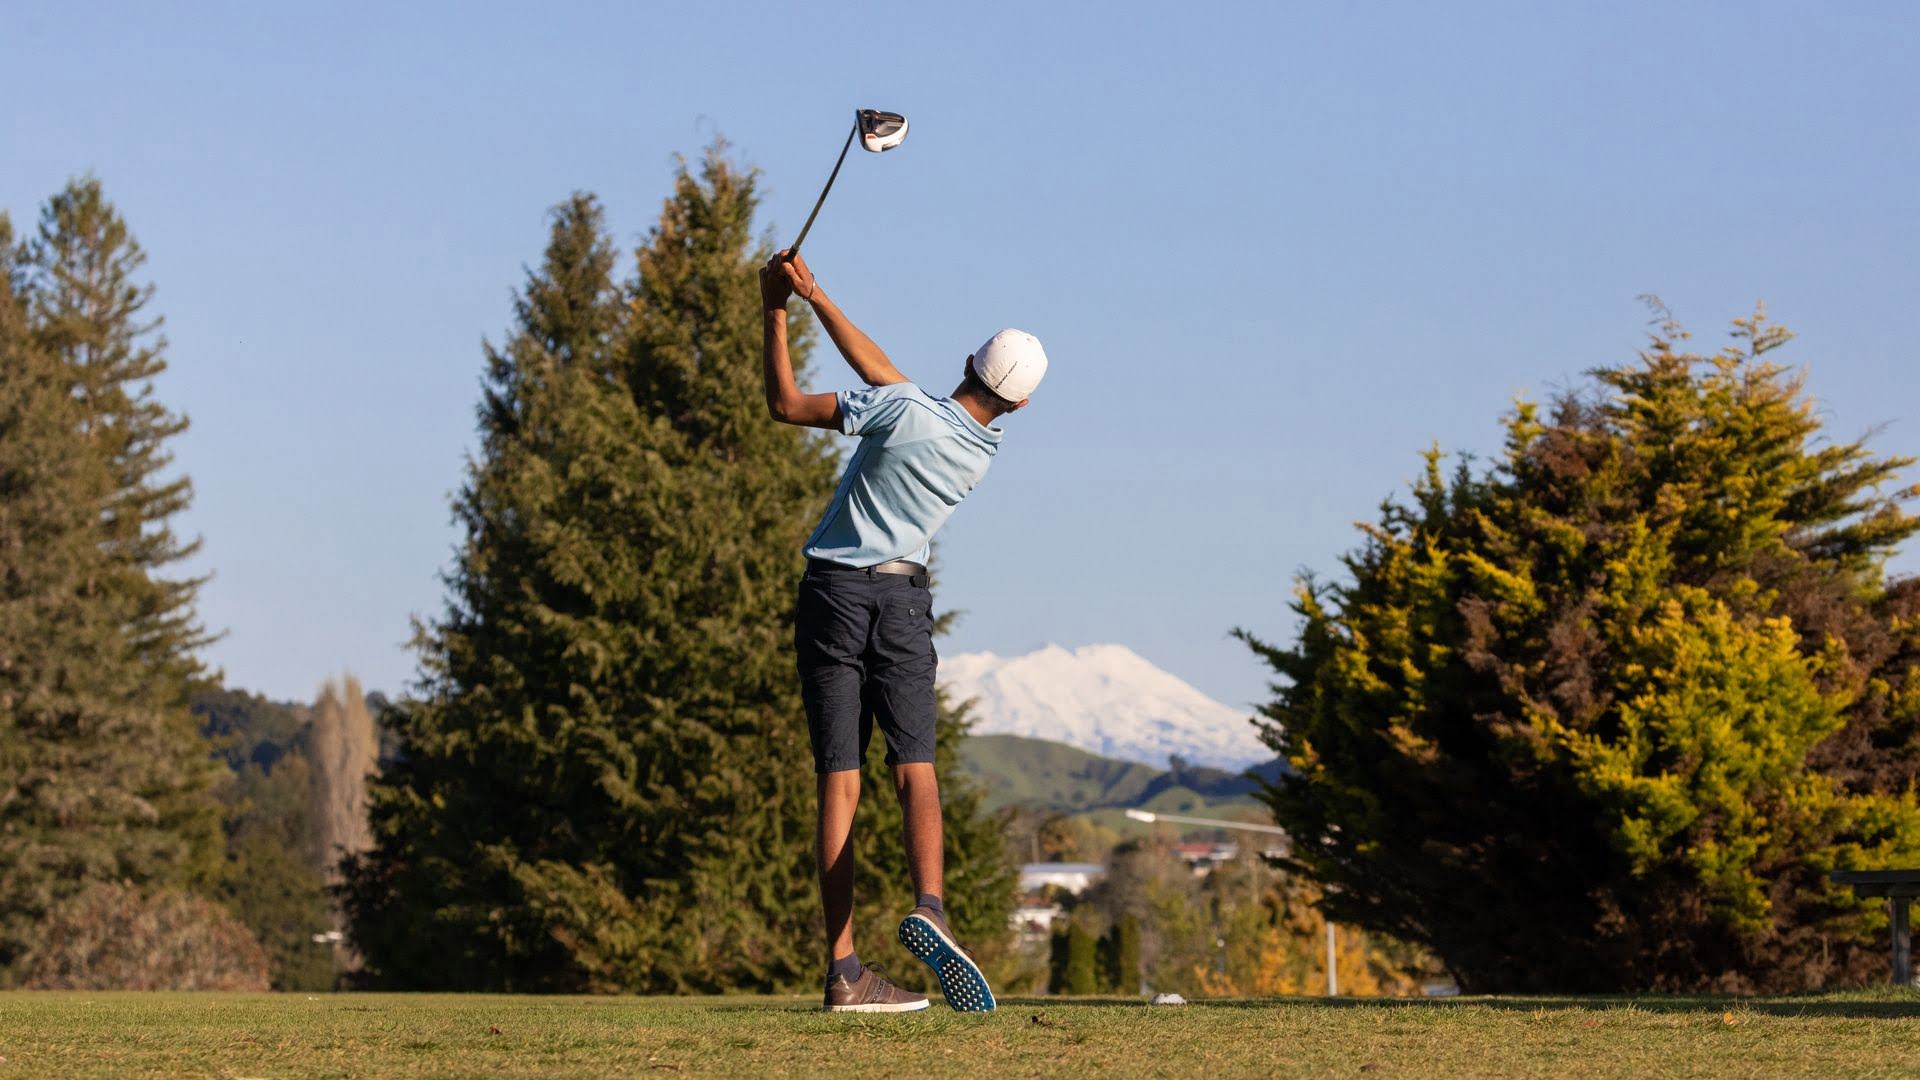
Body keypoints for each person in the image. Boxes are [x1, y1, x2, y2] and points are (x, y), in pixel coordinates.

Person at [758, 249, 1048, 1013]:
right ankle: (932, 905)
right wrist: (816, 292)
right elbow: (888, 374)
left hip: (831, 594)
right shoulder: (981, 450)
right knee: (914, 766)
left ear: (965, 362)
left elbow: (786, 404)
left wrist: (776, 308)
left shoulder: (902, 409)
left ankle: (845, 970)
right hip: (902, 604)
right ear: (1018, 407)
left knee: (840, 777)